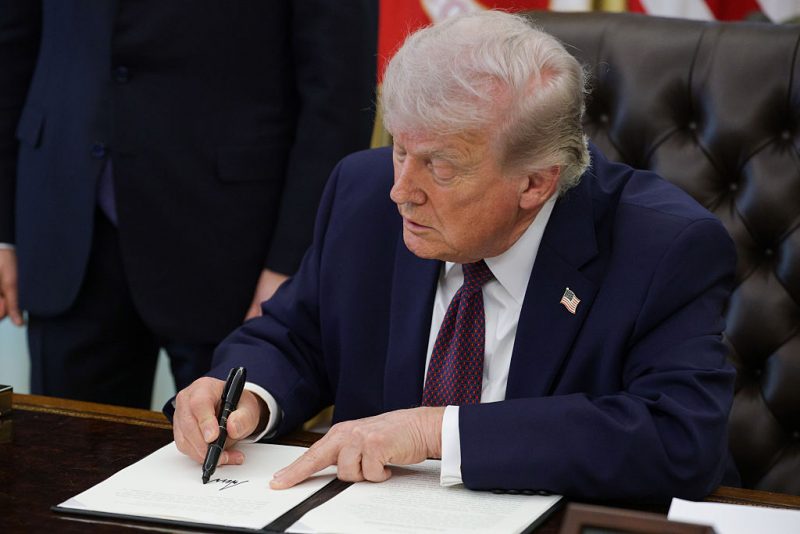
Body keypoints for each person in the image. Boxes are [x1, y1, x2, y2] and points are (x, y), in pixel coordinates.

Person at [171, 10, 738, 501]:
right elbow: (294, 337)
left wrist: (434, 433)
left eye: (440, 166)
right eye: (399, 149)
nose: (402, 189)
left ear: (536, 183)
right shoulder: (363, 196)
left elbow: (680, 438)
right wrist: (245, 396)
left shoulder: (664, 248)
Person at [0, 1, 377, 408]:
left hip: (237, 246)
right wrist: (4, 231)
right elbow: (10, 45)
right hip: (67, 227)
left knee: (226, 453)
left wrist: (294, 261)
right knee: (64, 462)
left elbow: (338, 90)